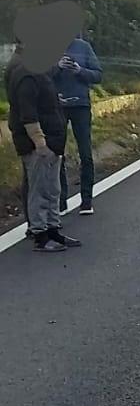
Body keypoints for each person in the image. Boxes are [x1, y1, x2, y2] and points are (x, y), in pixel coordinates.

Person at [6, 42, 81, 251]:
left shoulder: (38, 70)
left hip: (52, 141)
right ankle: (40, 234)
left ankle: (53, 229)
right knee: (39, 189)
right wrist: (40, 143)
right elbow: (28, 114)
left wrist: (55, 101)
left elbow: (42, 100)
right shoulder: (26, 74)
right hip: (39, 144)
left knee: (52, 188)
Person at [52, 35, 102, 215]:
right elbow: (41, 76)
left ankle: (87, 200)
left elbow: (98, 75)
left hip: (81, 105)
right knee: (58, 154)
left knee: (86, 153)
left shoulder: (84, 47)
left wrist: (79, 70)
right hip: (58, 106)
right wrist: (57, 67)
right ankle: (61, 201)